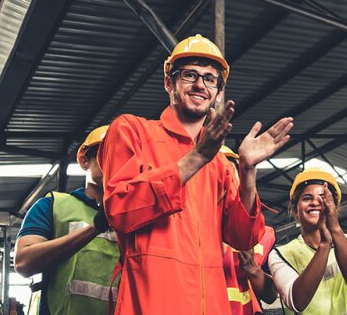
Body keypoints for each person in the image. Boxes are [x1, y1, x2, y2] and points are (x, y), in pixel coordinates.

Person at [98, 34, 294, 314]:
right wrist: (196, 158)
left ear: (216, 92)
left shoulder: (221, 164)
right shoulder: (132, 131)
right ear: (169, 82)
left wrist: (247, 170)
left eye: (210, 79)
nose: (200, 84)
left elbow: (243, 238)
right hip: (152, 303)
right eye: (190, 75)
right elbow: (119, 209)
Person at [15, 125, 118, 315]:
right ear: (84, 161)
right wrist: (96, 226)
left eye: (123, 157)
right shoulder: (52, 206)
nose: (116, 164)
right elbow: (24, 263)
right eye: (107, 155)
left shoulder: (137, 216)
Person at [268, 167, 347, 314]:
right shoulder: (281, 254)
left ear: (335, 207)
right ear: (294, 209)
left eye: (323, 198)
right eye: (306, 198)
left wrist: (335, 230)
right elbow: (296, 302)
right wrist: (324, 245)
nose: (315, 202)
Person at [219, 145, 278, 314]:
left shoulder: (264, 236)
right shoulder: (188, 228)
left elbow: (270, 295)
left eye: (230, 175)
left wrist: (253, 269)